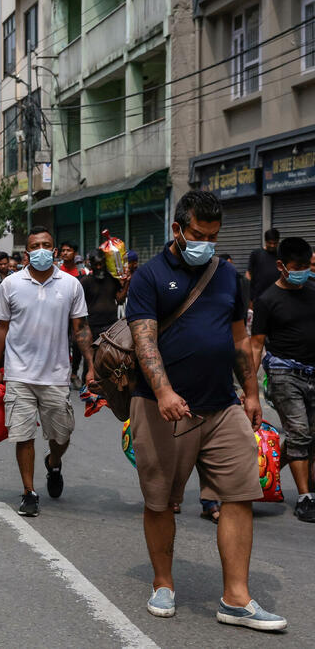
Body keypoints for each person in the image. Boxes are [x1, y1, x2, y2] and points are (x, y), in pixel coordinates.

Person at [126, 190, 284, 630]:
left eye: (213, 236)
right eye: (198, 234)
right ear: (177, 229)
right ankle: (163, 582)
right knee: (160, 501)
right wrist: (163, 392)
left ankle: (236, 598)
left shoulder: (228, 276)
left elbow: (239, 339)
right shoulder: (150, 277)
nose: (206, 243)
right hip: (165, 409)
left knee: (239, 495)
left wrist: (251, 394)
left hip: (222, 406)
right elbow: (144, 341)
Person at [0, 227, 93, 517]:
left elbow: (81, 328)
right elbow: (1, 327)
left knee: (62, 435)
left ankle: (53, 463)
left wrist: (91, 366)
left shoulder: (71, 285)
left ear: (55, 250)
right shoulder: (11, 284)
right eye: (36, 245)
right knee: (23, 435)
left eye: (47, 244)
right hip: (19, 373)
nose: (42, 250)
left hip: (56, 375)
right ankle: (29, 491)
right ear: (27, 253)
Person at [250, 236, 315, 523]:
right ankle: (304, 497)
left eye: (307, 265)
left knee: (308, 437)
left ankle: (263, 470)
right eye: (297, 266)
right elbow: (255, 344)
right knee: (300, 433)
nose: (303, 271)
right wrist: (249, 387)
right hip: (283, 373)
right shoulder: (267, 300)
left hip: (313, 371)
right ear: (281, 265)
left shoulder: (313, 290)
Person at [246, 228, 280, 307]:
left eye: (275, 243)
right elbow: (248, 275)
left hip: (277, 299)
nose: (272, 245)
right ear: (265, 241)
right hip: (258, 299)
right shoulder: (256, 254)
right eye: (270, 243)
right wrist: (249, 298)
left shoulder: (281, 255)